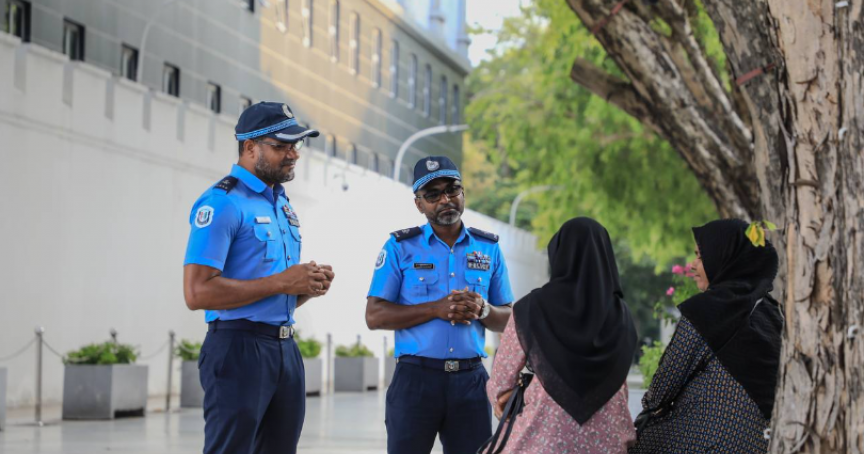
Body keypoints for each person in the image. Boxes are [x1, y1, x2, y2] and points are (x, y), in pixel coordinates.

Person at [182, 101, 335, 454]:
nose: (293, 154)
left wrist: (305, 286)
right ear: (250, 147)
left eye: (295, 145)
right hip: (237, 349)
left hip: (283, 347)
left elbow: (269, 290)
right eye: (281, 146)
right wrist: (284, 282)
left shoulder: (280, 203)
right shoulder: (222, 203)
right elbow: (196, 293)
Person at [365, 155, 515, 454]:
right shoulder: (399, 247)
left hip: (470, 382)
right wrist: (435, 308)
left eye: (452, 189)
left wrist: (483, 309)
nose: (445, 199)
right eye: (432, 194)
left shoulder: (489, 248)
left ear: (463, 194)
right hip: (415, 381)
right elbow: (374, 315)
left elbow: (509, 320)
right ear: (419, 204)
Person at [629, 219, 783, 453]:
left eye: (700, 257)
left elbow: (662, 390)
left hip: (705, 439)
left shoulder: (706, 310)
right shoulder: (774, 313)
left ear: (725, 258)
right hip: (759, 444)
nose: (692, 265)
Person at [487, 217, 637, 454]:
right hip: (609, 442)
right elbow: (622, 382)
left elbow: (501, 380)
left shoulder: (530, 308)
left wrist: (502, 399)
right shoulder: (622, 315)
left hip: (543, 440)